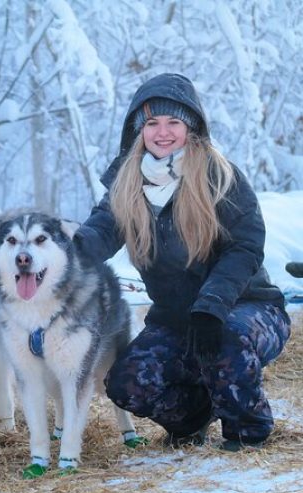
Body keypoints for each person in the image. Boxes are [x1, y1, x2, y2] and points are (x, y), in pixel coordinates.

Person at [73, 73, 290, 452]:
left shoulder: (220, 176)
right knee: (127, 381)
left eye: (174, 122)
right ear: (138, 130)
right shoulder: (127, 182)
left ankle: (246, 430)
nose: (162, 132)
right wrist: (67, 252)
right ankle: (193, 418)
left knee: (227, 339)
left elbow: (246, 247)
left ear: (192, 128)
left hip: (245, 307)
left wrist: (212, 305)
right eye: (152, 123)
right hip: (175, 318)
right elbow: (101, 230)